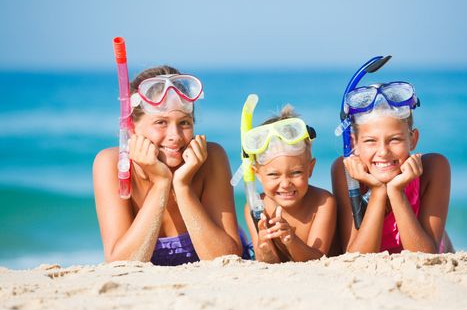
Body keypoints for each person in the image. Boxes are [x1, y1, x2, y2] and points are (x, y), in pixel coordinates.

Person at [93, 65, 249, 266]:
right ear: (131, 128)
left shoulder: (212, 158)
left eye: (184, 123)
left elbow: (225, 260)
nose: (175, 136)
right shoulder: (112, 165)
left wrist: (182, 187)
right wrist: (161, 183)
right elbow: (121, 264)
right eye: (161, 122)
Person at [331, 79, 453, 254]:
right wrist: (378, 191)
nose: (383, 152)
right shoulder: (346, 172)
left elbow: (426, 256)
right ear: (353, 143)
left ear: (413, 139)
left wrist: (396, 192)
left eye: (395, 139)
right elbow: (357, 256)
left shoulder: (434, 168)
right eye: (370, 141)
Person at [244, 105, 336, 263]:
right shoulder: (256, 207)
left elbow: (318, 260)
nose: (285, 184)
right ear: (256, 173)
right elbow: (268, 263)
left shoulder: (323, 202)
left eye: (296, 173)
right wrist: (264, 247)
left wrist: (292, 240)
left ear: (310, 168)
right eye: (273, 175)